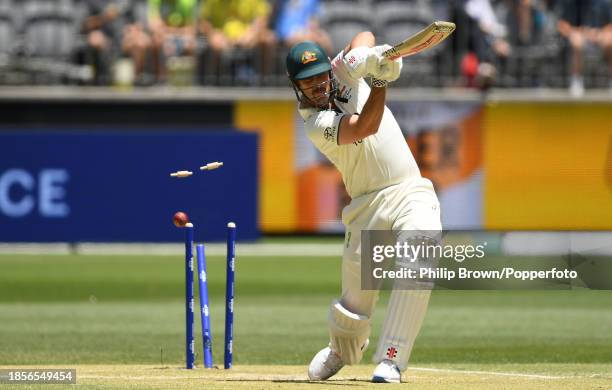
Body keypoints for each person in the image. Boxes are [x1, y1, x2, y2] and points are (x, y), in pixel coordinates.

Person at [286, 35, 442, 383]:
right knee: (355, 308)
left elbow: (365, 36)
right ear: (297, 87)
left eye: (320, 76)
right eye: (307, 82)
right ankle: (342, 349)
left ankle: (392, 358)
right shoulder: (314, 123)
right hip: (365, 206)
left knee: (421, 249)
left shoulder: (340, 72)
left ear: (328, 69)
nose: (317, 85)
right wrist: (380, 80)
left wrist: (363, 54)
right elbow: (365, 126)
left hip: (408, 189)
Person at [199, 0, 277, 83]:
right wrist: (213, 34)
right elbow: (203, 22)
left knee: (269, 39)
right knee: (215, 44)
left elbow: (262, 17)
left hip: (249, 37)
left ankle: (264, 82)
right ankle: (215, 85)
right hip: (222, 37)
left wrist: (252, 33)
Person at [82, 0, 150, 85]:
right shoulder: (93, 2)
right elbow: (85, 24)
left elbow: (139, 23)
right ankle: (99, 80)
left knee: (140, 41)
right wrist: (105, 17)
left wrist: (132, 31)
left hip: (124, 39)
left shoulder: (128, 2)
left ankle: (135, 80)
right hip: (104, 39)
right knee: (95, 39)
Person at [557, 0, 612, 96]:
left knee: (610, 40)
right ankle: (576, 81)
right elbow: (561, 25)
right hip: (579, 37)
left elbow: (610, 25)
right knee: (577, 41)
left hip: (599, 38)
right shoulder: (569, 3)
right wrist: (578, 32)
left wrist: (599, 34)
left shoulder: (604, 2)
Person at [148, 0, 198, 82]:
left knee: (191, 44)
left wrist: (171, 32)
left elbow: (192, 29)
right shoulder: (156, 2)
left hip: (181, 36)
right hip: (164, 36)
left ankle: (188, 80)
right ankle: (161, 79)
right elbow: (154, 26)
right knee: (158, 41)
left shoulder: (188, 2)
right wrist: (169, 35)